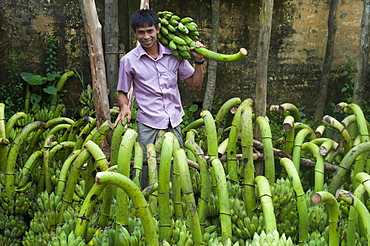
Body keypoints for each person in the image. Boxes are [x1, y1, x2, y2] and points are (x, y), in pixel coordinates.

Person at [114, 9, 205, 155]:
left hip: (173, 121)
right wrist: (124, 106)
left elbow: (196, 85)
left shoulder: (175, 55)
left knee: (175, 167)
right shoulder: (129, 61)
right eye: (141, 32)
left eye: (150, 31)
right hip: (148, 125)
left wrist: (199, 61)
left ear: (157, 29)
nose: (146, 36)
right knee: (147, 168)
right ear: (134, 33)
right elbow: (122, 92)